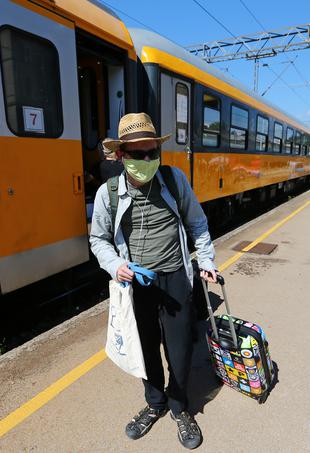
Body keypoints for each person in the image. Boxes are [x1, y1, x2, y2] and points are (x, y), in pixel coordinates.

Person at [89, 113, 217, 450]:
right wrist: (116, 265)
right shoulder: (109, 193)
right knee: (144, 348)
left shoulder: (174, 181)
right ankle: (155, 403)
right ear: (121, 156)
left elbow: (198, 224)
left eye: (152, 153)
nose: (147, 161)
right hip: (137, 286)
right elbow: (98, 239)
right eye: (137, 154)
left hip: (175, 278)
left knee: (179, 349)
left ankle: (180, 407)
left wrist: (205, 261)